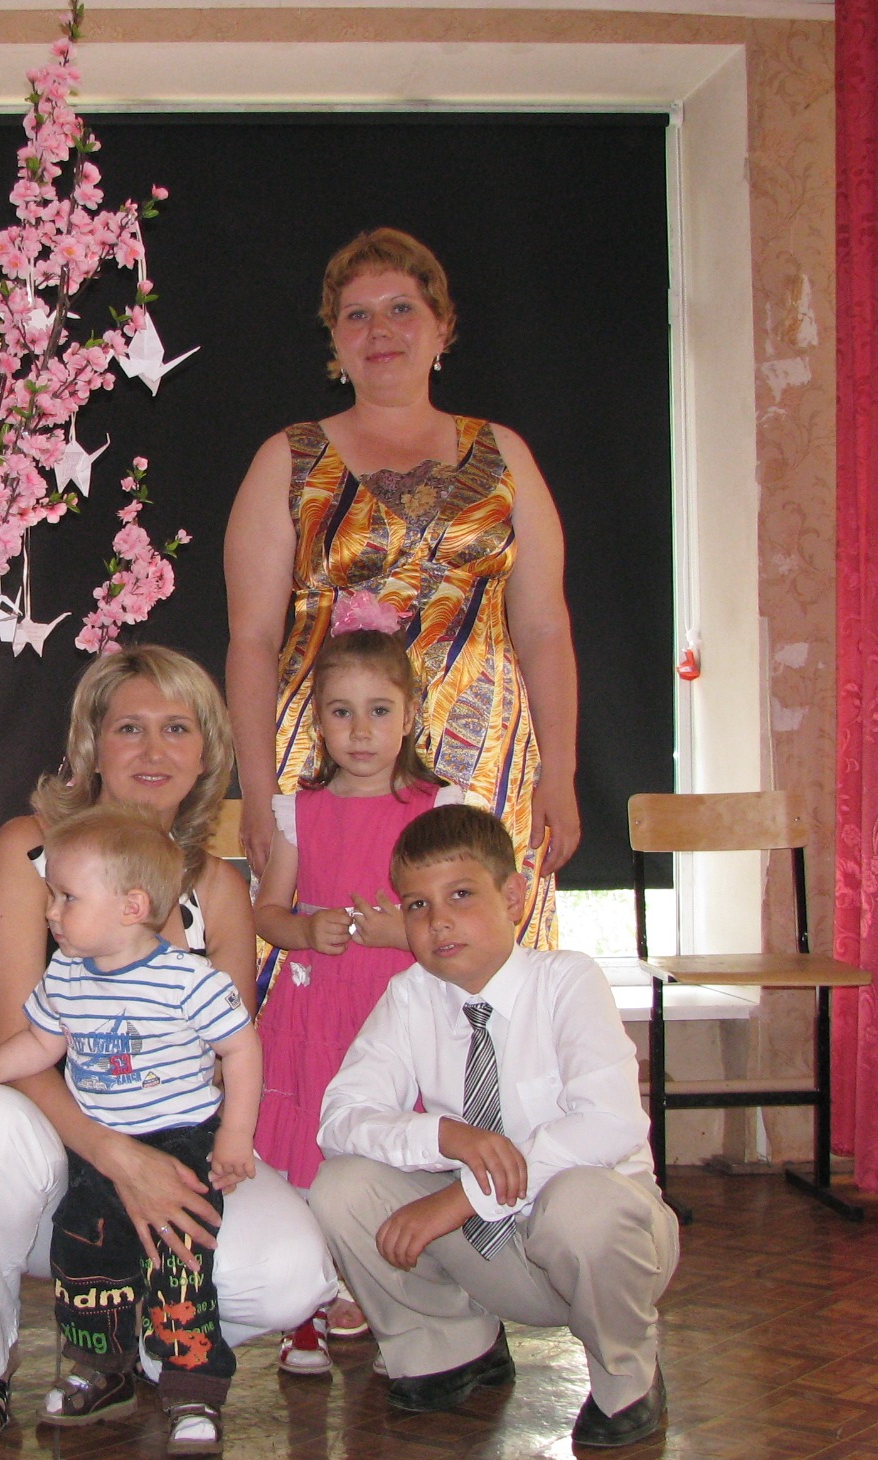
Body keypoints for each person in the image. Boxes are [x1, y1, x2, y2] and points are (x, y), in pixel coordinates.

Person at [0, 646, 337, 1441]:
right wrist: (117, 1157)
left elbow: (230, 1054)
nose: (154, 750)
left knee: (295, 1276)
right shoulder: (31, 850)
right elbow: (16, 1041)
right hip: (51, 1163)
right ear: (91, 745)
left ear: (206, 752)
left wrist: (182, 1161)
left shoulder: (220, 887)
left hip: (172, 1140)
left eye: (177, 729)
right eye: (130, 728)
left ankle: (148, 1344)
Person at [224, 226, 581, 947]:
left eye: (401, 308)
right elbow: (252, 640)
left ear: (442, 327)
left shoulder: (504, 454)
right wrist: (258, 794)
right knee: (330, 952)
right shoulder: (288, 459)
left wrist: (561, 773)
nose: (379, 330)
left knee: (475, 954)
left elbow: (545, 627)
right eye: (357, 314)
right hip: (330, 754)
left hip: (484, 755)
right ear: (335, 338)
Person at [310, 804, 678, 1448]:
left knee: (583, 1203)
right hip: (489, 1254)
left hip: (597, 1247)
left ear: (513, 897)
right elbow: (341, 1119)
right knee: (342, 1187)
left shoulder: (568, 981)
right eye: (417, 905)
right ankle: (451, 1349)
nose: (438, 921)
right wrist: (444, 1136)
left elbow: (611, 1124)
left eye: (460, 894)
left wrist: (460, 1196)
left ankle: (627, 1373)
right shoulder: (409, 997)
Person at [0, 806, 261, 1455]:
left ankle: (191, 1387)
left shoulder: (186, 979)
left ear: (131, 906)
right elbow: (41, 1042)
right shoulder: (66, 975)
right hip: (97, 1146)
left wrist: (234, 1136)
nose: (51, 911)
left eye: (67, 898)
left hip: (178, 1141)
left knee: (180, 1266)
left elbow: (242, 1048)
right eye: (51, 895)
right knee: (86, 1255)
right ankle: (102, 1369)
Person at [250, 611, 462, 1376]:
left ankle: (377, 1284)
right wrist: (304, 931)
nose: (361, 731)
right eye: (341, 713)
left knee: (384, 1145)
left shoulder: (437, 809)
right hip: (315, 1012)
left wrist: (400, 931)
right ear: (317, 721)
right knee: (309, 1150)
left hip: (399, 1013)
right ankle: (306, 1297)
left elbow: (461, 920)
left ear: (409, 717)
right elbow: (267, 913)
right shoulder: (298, 812)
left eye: (379, 711)